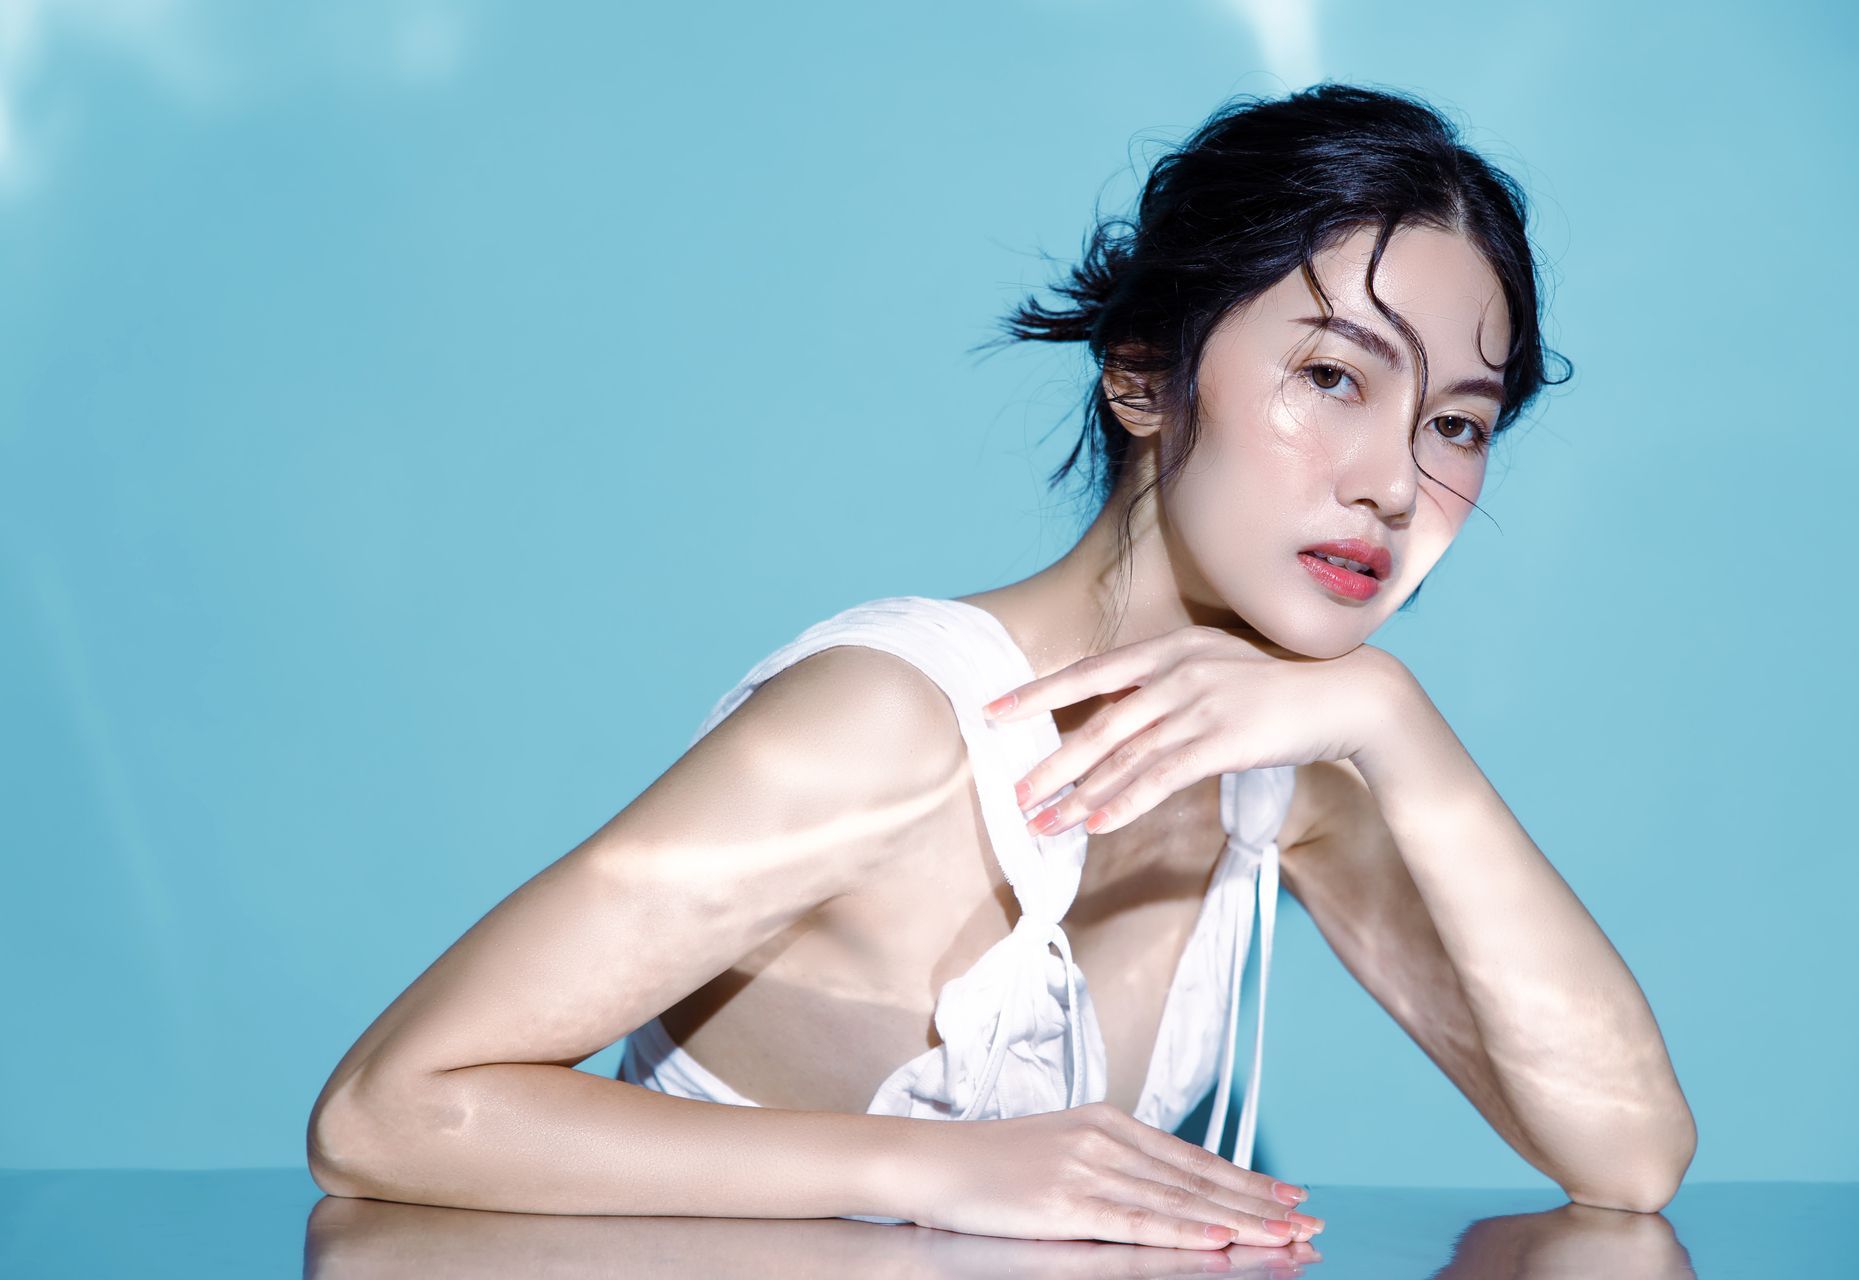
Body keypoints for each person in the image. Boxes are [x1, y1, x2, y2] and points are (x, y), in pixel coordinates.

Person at [306, 83, 1696, 1254]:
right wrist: (932, 1172)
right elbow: (387, 1109)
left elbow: (1628, 1160)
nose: (1395, 483)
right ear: (1145, 374)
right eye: (1334, 376)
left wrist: (1403, 730)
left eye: (1458, 425)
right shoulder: (888, 723)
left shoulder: (1295, 773)